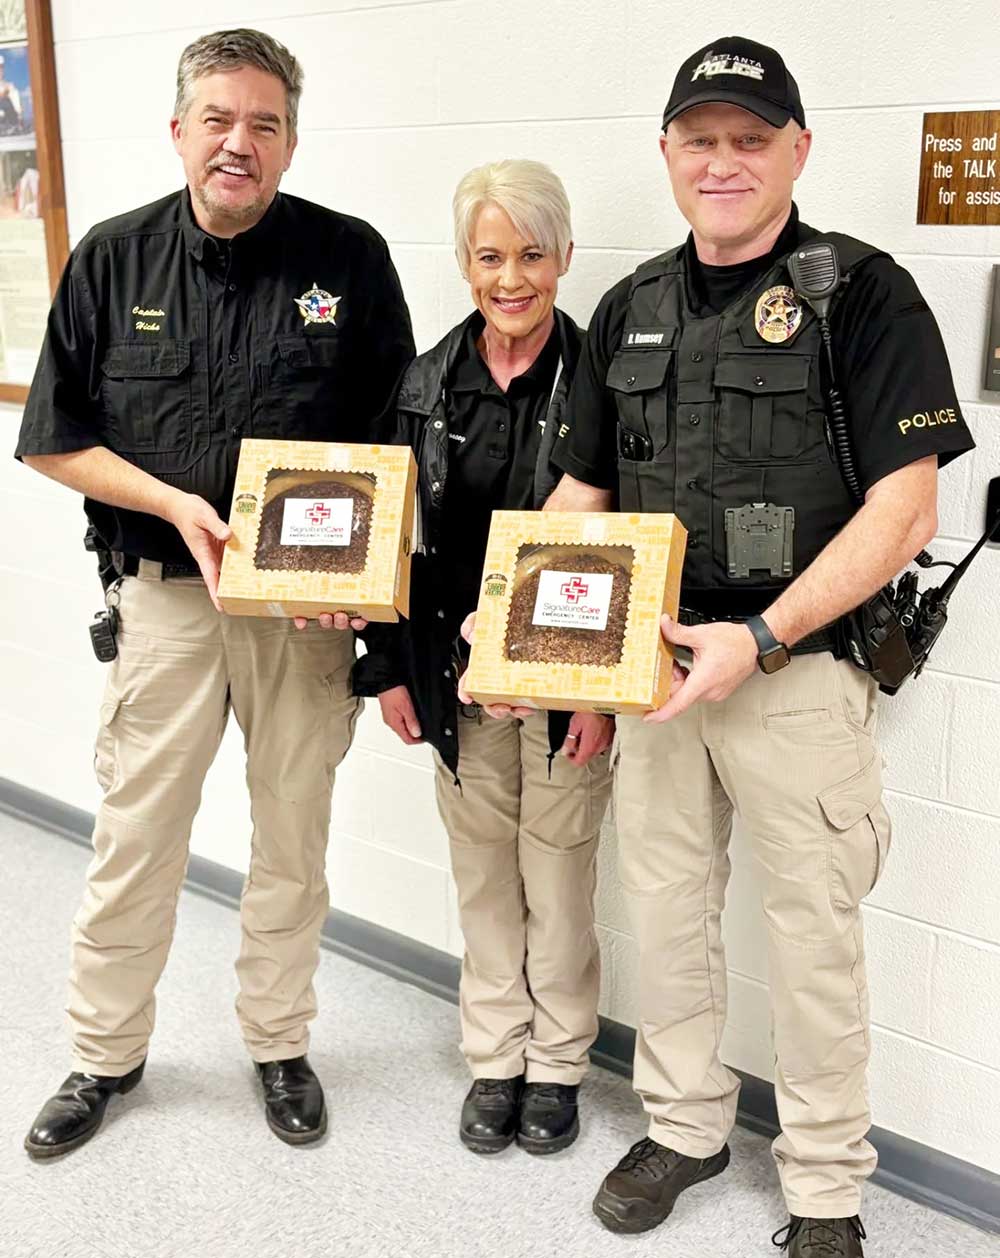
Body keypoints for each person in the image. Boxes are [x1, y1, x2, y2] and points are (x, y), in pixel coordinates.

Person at [498, 37, 975, 1257]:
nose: (722, 162)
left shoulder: (861, 293)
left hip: (792, 674)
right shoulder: (630, 308)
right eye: (698, 139)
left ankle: (823, 1190)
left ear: (797, 151)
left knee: (813, 939)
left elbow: (904, 510)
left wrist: (760, 634)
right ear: (666, 154)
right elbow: (583, 495)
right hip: (655, 669)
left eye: (749, 139)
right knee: (665, 917)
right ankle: (686, 1124)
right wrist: (526, 633)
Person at [16, 27, 414, 1158]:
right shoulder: (110, 258)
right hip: (164, 602)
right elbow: (54, 439)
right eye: (219, 120)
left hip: (302, 614)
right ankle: (104, 1053)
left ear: (289, 138)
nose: (239, 143)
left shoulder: (350, 257)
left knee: (293, 835)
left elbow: (397, 438)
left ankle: (278, 1042)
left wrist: (367, 582)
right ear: (180, 129)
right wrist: (178, 505)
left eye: (264, 123)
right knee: (136, 835)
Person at [354, 160, 614, 1156]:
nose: (512, 277)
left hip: (560, 690)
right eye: (490, 254)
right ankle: (494, 1058)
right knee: (481, 881)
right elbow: (389, 540)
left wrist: (604, 698)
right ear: (465, 263)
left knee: (558, 882)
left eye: (531, 254)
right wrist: (386, 671)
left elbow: (625, 547)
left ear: (563, 257)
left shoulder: (600, 385)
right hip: (450, 685)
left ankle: (556, 1066)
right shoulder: (421, 385)